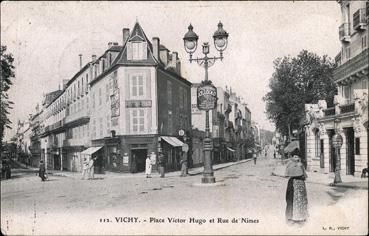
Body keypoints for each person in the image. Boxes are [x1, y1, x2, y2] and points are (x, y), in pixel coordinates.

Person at [285, 155, 308, 225]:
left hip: (300, 184)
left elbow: (305, 175)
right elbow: (287, 174)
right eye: (294, 157)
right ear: (292, 157)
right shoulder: (289, 164)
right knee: (290, 200)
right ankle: (290, 217)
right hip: (292, 184)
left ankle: (301, 216)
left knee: (301, 200)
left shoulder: (301, 165)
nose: (296, 158)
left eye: (297, 157)